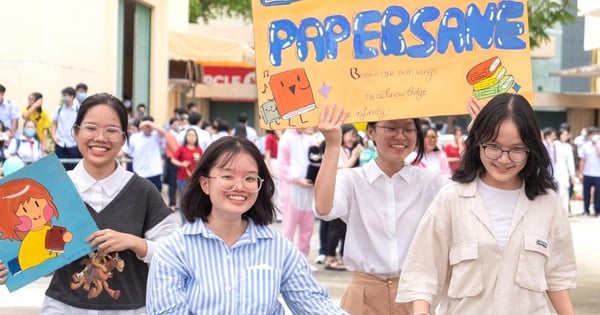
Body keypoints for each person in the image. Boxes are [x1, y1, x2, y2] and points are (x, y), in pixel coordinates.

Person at [396, 93, 576, 314]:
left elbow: (558, 276)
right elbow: (423, 272)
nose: (503, 159)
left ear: (532, 149)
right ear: (478, 143)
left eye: (517, 149)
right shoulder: (451, 199)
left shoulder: (548, 202)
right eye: (493, 146)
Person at [146, 136, 347, 314]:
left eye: (250, 178)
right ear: (205, 184)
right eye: (227, 176)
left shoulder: (278, 248)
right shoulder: (173, 251)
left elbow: (315, 305)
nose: (240, 186)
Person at [41, 93, 179, 314]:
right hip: (63, 307)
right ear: (76, 133)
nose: (100, 137)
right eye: (91, 128)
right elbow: (30, 249)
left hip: (131, 308)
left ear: (124, 138)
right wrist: (8, 269)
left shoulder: (142, 191)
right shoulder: (54, 189)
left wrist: (134, 242)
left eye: (112, 130)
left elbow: (176, 252)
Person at [314, 104, 450, 314]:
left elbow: (469, 194)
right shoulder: (352, 180)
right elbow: (323, 208)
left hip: (413, 297)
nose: (400, 136)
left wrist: (483, 132)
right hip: (363, 296)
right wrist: (333, 145)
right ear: (371, 132)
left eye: (408, 129)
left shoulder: (430, 182)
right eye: (391, 128)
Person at [278, 128, 318, 258]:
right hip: (292, 188)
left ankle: (302, 260)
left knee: (307, 228)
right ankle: (286, 261)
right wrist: (297, 179)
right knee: (289, 227)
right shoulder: (286, 138)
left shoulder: (310, 139)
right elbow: (282, 166)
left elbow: (317, 160)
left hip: (308, 189)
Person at [123, 116, 166, 192]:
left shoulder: (156, 136)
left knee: (156, 199)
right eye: (147, 126)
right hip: (141, 174)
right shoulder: (134, 137)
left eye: (151, 126)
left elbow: (164, 132)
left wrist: (149, 123)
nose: (149, 128)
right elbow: (126, 152)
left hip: (155, 173)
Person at [171, 127, 203, 215]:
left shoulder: (199, 149)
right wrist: (181, 164)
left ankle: (192, 217)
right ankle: (184, 220)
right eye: (189, 135)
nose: (191, 137)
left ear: (196, 137)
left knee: (194, 198)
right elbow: (173, 160)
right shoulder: (182, 148)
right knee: (184, 199)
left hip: (195, 178)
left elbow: (202, 162)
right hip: (182, 178)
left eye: (193, 135)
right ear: (186, 137)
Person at [51, 86, 82, 170]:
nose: (63, 98)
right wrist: (53, 136)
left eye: (65, 95)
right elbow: (54, 123)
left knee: (74, 166)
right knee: (58, 167)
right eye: (63, 95)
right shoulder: (59, 109)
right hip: (60, 142)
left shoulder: (78, 109)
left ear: (71, 96)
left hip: (73, 143)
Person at [577, 126, 600, 216]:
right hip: (587, 173)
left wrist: (597, 144)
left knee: (598, 193)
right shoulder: (585, 146)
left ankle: (597, 210)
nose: (594, 136)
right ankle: (586, 210)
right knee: (586, 193)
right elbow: (582, 160)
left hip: (598, 174)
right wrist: (581, 172)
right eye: (592, 134)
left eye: (596, 134)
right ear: (589, 136)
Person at [554, 128, 576, 213]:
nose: (565, 136)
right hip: (555, 168)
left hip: (564, 170)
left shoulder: (568, 147)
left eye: (566, 135)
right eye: (563, 134)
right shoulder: (554, 144)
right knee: (556, 190)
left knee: (564, 191)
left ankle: (564, 212)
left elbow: (570, 161)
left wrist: (572, 174)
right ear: (559, 135)